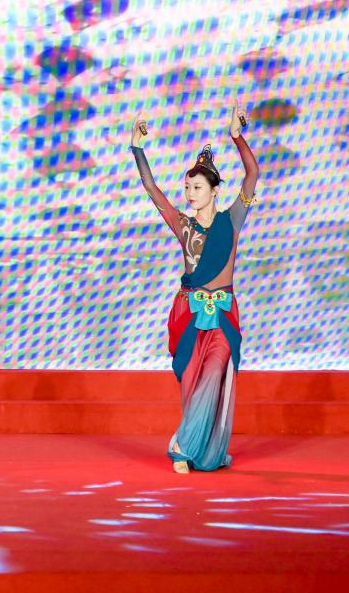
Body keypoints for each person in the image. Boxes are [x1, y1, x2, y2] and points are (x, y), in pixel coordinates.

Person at [131, 102, 258, 473]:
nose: (189, 192)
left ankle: (183, 447)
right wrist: (137, 149)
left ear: (214, 190)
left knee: (215, 373)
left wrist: (237, 137)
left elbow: (252, 173)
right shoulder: (183, 225)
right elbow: (151, 189)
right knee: (190, 384)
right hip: (188, 315)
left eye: (197, 187)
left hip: (221, 317)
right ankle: (202, 452)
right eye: (187, 187)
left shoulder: (232, 220)